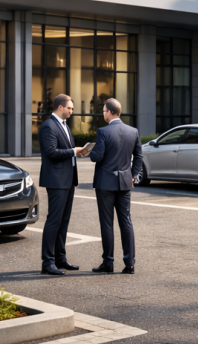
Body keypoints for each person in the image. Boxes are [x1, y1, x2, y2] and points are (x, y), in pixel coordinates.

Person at [89, 98, 143, 275]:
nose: (103, 113)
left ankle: (108, 263)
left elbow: (97, 157)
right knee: (126, 222)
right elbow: (139, 157)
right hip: (125, 183)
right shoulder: (133, 131)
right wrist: (133, 175)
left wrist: (91, 150)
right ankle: (130, 263)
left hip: (105, 183)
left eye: (104, 110)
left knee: (107, 224)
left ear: (110, 112)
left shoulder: (103, 132)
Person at [39, 94, 89, 276]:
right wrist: (73, 151)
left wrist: (77, 153)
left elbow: (65, 152)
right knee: (54, 221)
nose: (72, 111)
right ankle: (47, 262)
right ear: (60, 107)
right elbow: (51, 152)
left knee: (63, 221)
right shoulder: (48, 126)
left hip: (68, 180)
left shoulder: (64, 126)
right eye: (70, 108)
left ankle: (60, 258)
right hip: (56, 181)